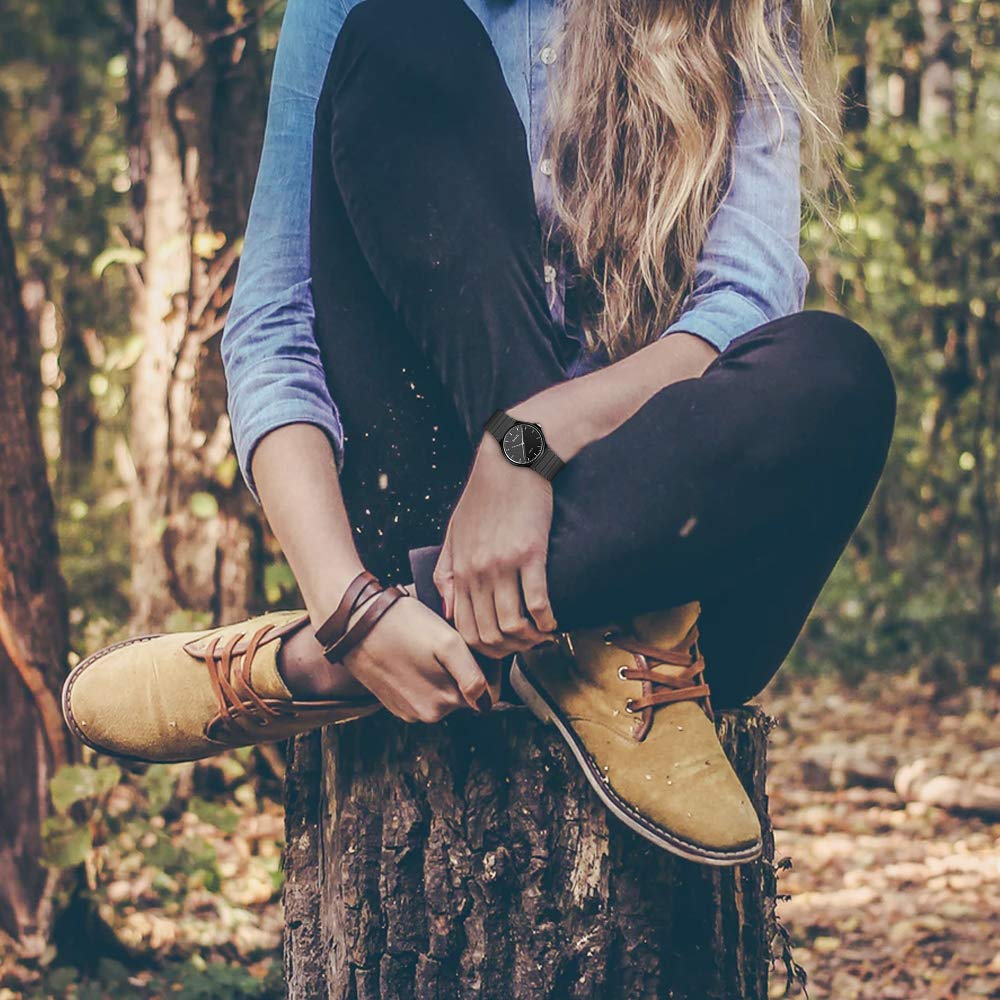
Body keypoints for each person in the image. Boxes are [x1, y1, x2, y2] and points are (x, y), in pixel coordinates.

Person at [62, 0, 896, 865]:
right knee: (403, 35)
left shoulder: (740, 11)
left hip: (662, 563)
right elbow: (276, 327)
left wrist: (523, 442)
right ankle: (518, 638)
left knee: (836, 371)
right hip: (438, 508)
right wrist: (346, 597)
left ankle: (311, 671)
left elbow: (747, 300)